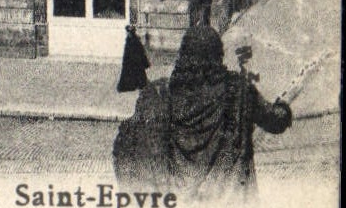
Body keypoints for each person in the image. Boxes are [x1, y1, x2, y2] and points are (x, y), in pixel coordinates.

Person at [113, 25, 291, 197]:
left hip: (177, 207)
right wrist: (283, 107)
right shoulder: (239, 89)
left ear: (183, 54)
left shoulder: (160, 93)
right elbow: (275, 121)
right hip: (229, 207)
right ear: (218, 55)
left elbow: (134, 144)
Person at [117, 21, 150, 92]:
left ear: (130, 33)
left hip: (134, 61)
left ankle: (134, 85)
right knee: (134, 73)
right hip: (133, 61)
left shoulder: (133, 41)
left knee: (134, 72)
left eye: (127, 32)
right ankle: (136, 84)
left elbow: (139, 52)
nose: (126, 33)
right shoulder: (131, 40)